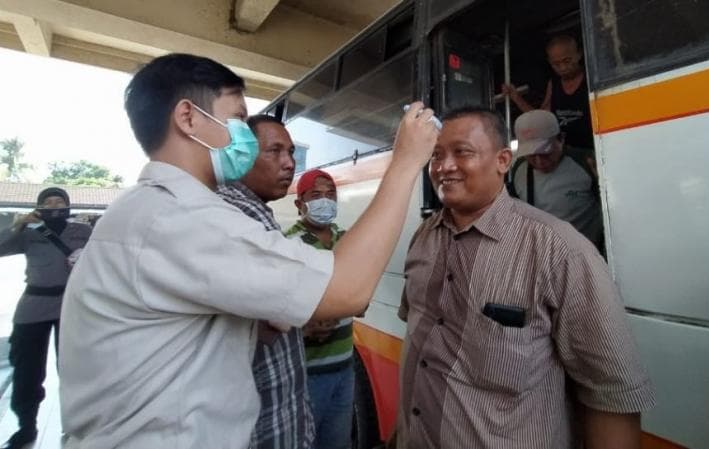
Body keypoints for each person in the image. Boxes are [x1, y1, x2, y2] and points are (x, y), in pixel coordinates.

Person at [57, 53, 438, 449]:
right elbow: (346, 289)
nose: (245, 138)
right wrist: (405, 161)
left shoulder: (157, 210)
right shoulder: (181, 216)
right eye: (238, 120)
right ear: (188, 117)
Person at [395, 106, 654, 449]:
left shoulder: (560, 251)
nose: (444, 167)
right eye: (436, 155)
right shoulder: (423, 238)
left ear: (503, 160)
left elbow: (611, 392)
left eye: (463, 152)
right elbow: (419, 350)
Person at [216, 114, 313, 449]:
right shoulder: (238, 213)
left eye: (290, 152)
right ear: (240, 155)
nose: (289, 164)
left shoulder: (259, 212)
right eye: (274, 151)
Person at [0, 187, 91, 449]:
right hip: (33, 306)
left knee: (75, 369)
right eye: (47, 202)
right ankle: (26, 426)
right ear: (39, 208)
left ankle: (77, 425)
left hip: (71, 306)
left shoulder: (82, 232)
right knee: (27, 370)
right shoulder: (28, 235)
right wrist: (17, 226)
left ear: (67, 205)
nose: (54, 206)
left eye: (59, 201)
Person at [284, 169, 352, 449]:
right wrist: (304, 325)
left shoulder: (348, 240)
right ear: (300, 204)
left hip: (345, 368)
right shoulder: (288, 243)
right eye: (316, 195)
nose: (325, 200)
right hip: (306, 374)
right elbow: (275, 305)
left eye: (330, 195)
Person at [509, 109, 603, 250]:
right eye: (531, 155)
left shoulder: (587, 163)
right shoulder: (518, 169)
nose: (539, 162)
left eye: (545, 152)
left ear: (561, 139)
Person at [502, 34, 593, 149]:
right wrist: (515, 97)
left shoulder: (591, 78)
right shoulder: (553, 84)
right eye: (556, 64)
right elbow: (540, 119)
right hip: (564, 152)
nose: (562, 68)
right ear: (550, 62)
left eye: (567, 61)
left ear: (579, 54)